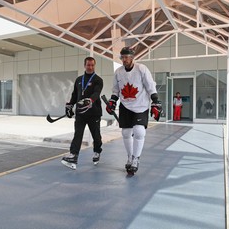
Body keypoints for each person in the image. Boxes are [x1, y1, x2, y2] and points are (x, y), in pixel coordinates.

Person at [106, 47, 161, 175]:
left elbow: (150, 86)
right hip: (125, 105)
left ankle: (136, 159)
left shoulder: (141, 69)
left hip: (141, 105)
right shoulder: (118, 72)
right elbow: (115, 90)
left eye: (126, 57)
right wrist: (112, 101)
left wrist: (155, 101)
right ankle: (130, 157)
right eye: (122, 57)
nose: (124, 60)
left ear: (132, 57)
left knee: (139, 131)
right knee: (125, 132)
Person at [61, 57, 104, 170]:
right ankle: (74, 155)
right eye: (88, 65)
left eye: (92, 65)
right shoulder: (79, 79)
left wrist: (91, 100)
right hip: (80, 113)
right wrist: (70, 105)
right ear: (84, 65)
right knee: (78, 134)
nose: (90, 67)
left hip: (94, 113)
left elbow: (96, 93)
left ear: (94, 66)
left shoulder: (98, 80)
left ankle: (97, 151)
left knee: (96, 135)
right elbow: (75, 94)